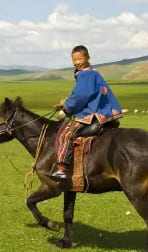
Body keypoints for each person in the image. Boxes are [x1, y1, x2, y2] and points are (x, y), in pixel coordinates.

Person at [49, 45, 123, 180]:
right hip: (104, 112)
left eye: (80, 58)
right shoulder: (92, 73)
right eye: (74, 59)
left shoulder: (85, 74)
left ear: (88, 58)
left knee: (66, 134)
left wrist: (67, 108)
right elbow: (80, 94)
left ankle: (63, 168)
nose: (77, 62)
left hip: (94, 114)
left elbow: (81, 96)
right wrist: (65, 102)